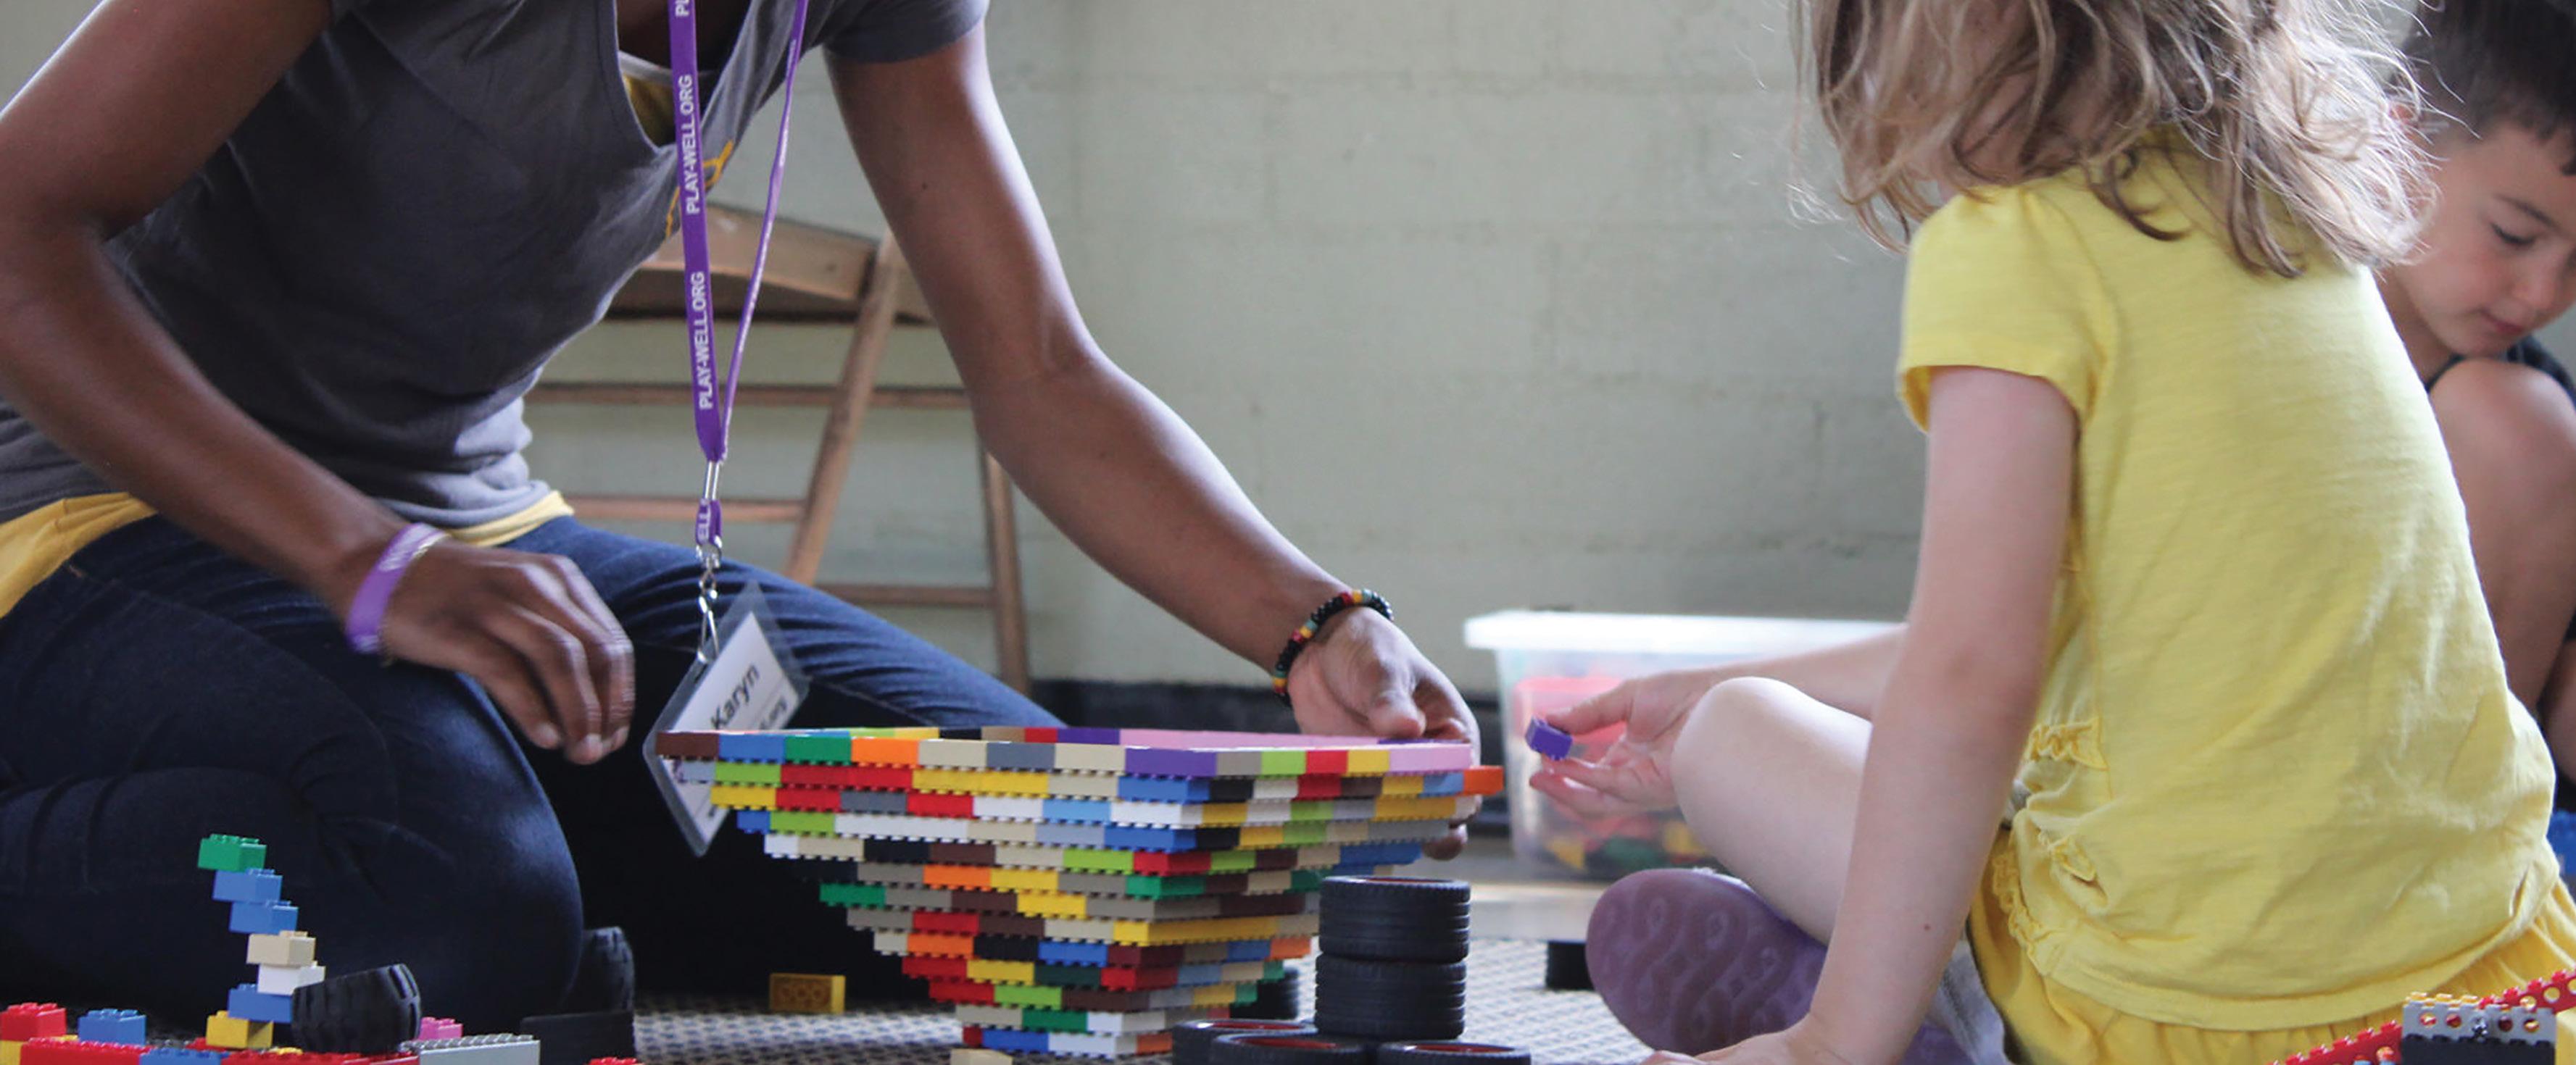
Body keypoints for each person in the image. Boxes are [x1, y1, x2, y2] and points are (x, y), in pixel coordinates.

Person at [0, 0, 1472, 1032]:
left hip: (469, 540)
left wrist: (1315, 626)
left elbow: (1037, 366)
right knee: (445, 919)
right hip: (92, 518)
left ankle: (488, 835)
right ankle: (459, 858)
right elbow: (16, 227)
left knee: (1081, 885)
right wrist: (364, 557)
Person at [1533, 0, 2576, 1061]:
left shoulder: (2017, 244)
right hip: (2495, 990)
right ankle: (1909, 996)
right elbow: (2032, 648)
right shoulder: (2296, 210)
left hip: (2186, 1014)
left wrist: (1832, 1045)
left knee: (1734, 738)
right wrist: (1710, 680)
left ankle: (1905, 1013)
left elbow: (1971, 681)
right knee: (1740, 715)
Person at [2380, 0, 2576, 801]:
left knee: (2515, 424)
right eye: (2514, 236)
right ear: (2395, 145)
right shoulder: (2250, 300)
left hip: (2453, 814)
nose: (2543, 295)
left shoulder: (2525, 425)